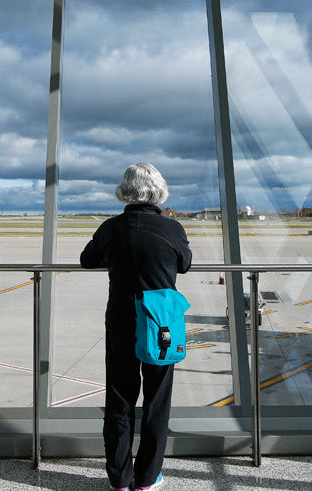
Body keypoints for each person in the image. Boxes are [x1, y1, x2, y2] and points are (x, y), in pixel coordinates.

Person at [81, 163, 192, 491]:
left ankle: (120, 478)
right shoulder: (172, 228)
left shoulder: (110, 228)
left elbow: (87, 260)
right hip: (160, 324)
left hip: (121, 321)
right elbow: (185, 264)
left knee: (119, 399)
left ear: (125, 191)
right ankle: (147, 477)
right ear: (158, 191)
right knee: (157, 400)